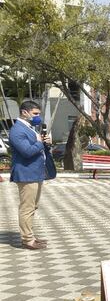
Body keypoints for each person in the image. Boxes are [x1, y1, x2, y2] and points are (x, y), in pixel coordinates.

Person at [9, 101, 54, 250]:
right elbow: (27, 151)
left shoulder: (29, 128)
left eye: (38, 114)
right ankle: (27, 240)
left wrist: (46, 143)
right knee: (27, 208)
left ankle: (31, 236)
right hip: (26, 173)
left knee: (32, 206)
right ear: (24, 112)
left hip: (35, 173)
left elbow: (38, 149)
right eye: (35, 114)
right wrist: (40, 142)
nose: (38, 117)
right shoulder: (17, 130)